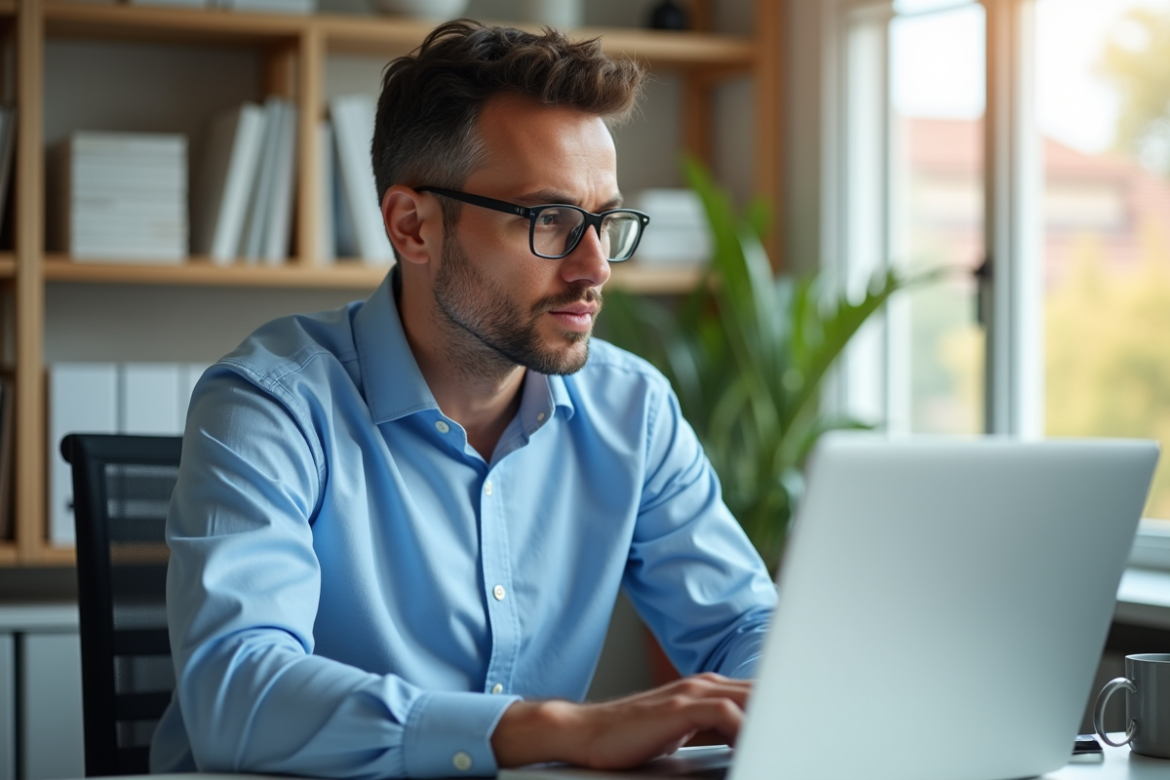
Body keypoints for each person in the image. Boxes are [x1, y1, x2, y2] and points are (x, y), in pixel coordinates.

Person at [151, 20, 777, 779]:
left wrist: (774, 692)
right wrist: (549, 729)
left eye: (605, 222)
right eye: (549, 219)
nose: (594, 267)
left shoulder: (631, 409)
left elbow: (742, 622)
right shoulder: (268, 404)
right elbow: (237, 693)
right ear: (412, 226)